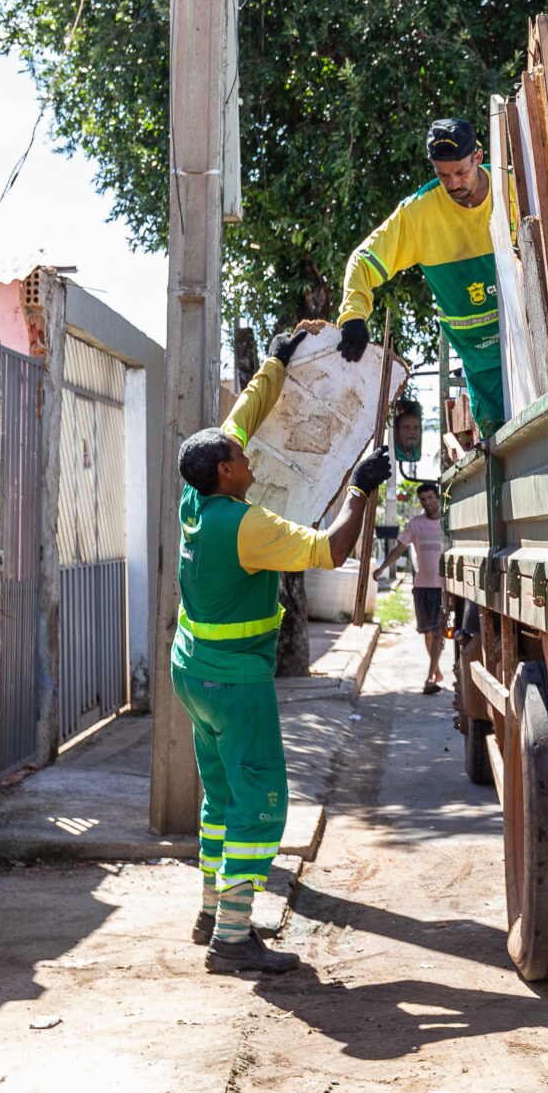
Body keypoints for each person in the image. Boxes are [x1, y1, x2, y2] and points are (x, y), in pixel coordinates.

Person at [175, 326, 389, 975]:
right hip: (237, 685)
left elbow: (241, 416)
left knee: (218, 798)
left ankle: (212, 910)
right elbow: (333, 549)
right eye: (241, 457)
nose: (251, 458)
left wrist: (277, 361)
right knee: (262, 805)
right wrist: (361, 488)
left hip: (193, 673)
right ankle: (233, 939)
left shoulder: (195, 500)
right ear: (224, 472)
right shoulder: (249, 527)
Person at [336, 118, 504, 436]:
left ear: (478, 158)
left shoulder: (514, 186)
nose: (453, 183)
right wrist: (354, 315)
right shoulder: (419, 213)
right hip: (481, 361)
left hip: (532, 345)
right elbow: (362, 261)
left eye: (461, 172)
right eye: (443, 176)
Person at [379, 484, 451, 694]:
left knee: (438, 632)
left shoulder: (448, 523)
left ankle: (430, 677)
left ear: (438, 498)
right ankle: (436, 671)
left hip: (442, 588)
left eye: (430, 498)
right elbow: (399, 548)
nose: (426, 502)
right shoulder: (415, 524)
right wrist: (382, 567)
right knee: (427, 633)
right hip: (422, 587)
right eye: (423, 499)